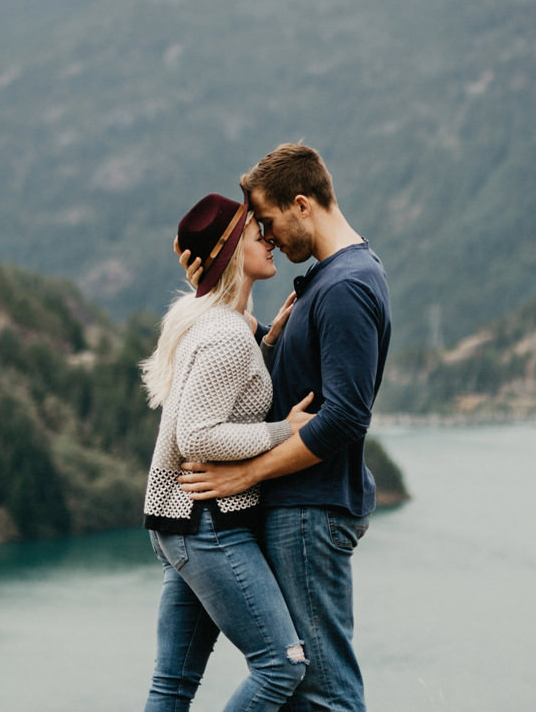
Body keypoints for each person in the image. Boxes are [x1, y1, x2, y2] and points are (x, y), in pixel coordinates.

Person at [178, 144, 392, 712]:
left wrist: (245, 473)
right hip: (302, 508)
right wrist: (221, 290)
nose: (268, 237)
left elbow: (343, 418)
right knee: (301, 690)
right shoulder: (328, 280)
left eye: (268, 221)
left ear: (301, 204)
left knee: (324, 693)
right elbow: (278, 394)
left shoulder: (344, 286)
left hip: (310, 510)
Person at [141, 191, 315, 712]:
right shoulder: (225, 335)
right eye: (255, 232)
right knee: (281, 665)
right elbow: (195, 436)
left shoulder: (225, 326)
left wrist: (264, 344)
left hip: (182, 523)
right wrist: (283, 431)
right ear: (230, 249)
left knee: (172, 684)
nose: (269, 239)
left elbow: (226, 395)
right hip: (209, 523)